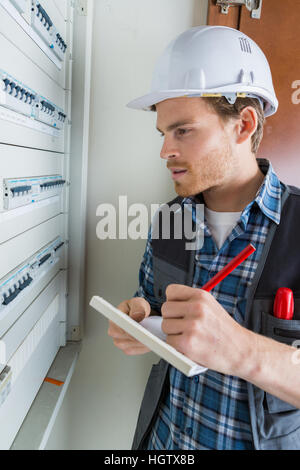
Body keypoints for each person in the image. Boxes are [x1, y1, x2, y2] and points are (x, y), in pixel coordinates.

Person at [108, 26, 300, 450]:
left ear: (243, 125)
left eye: (183, 131)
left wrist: (240, 351)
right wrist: (143, 314)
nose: (164, 151)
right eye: (163, 134)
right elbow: (154, 302)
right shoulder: (170, 219)